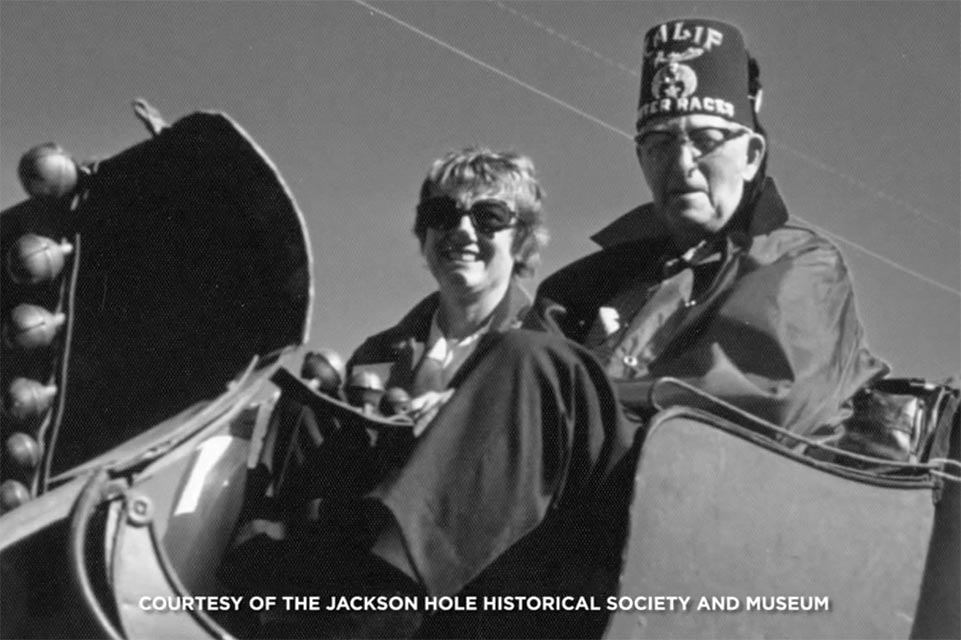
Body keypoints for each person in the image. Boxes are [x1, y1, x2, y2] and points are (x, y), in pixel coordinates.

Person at [221, 148, 630, 639]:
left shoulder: (547, 359)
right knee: (306, 405)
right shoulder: (374, 356)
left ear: (521, 240)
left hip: (474, 598)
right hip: (338, 574)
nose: (462, 230)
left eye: (488, 217)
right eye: (442, 214)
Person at [531, 17, 888, 439]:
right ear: (640, 159)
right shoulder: (591, 283)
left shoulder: (796, 263)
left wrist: (593, 397)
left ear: (752, 156)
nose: (682, 165)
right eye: (660, 144)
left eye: (706, 140)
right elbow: (527, 372)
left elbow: (770, 400)